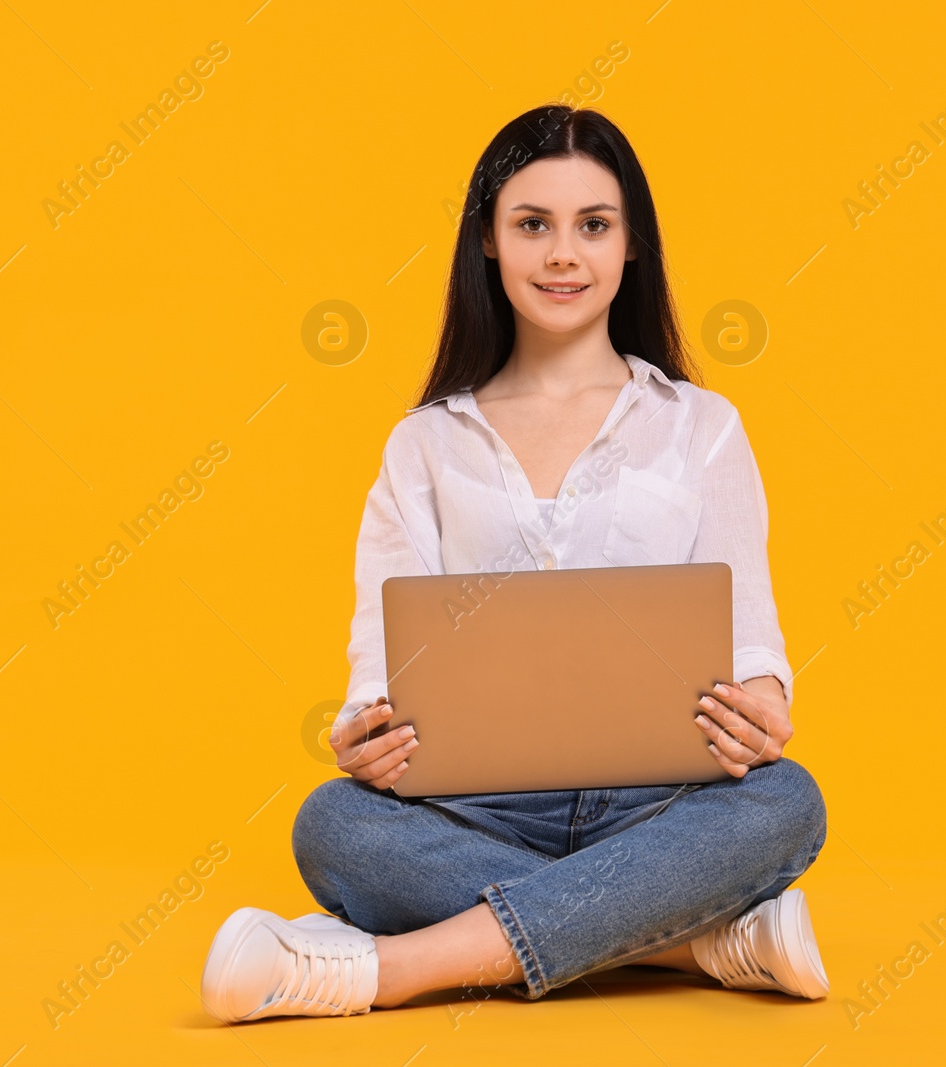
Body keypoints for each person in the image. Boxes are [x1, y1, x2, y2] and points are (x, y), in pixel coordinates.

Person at [199, 104, 828, 1022]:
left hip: (655, 804)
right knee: (335, 826)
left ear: (631, 246)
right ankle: (689, 938)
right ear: (489, 243)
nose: (563, 254)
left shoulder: (702, 427)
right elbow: (382, 653)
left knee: (788, 803)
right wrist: (365, 733)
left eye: (594, 226)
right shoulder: (424, 445)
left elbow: (753, 645)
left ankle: (388, 969)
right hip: (479, 805)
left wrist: (761, 709)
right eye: (532, 224)